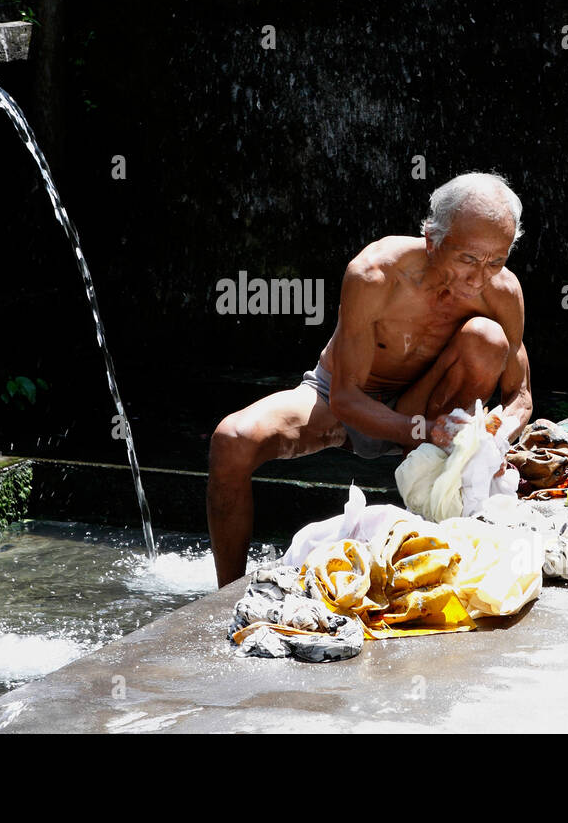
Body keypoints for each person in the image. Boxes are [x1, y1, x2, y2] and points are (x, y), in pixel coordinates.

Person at [206, 171, 534, 585]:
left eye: (496, 261)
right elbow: (344, 396)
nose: (479, 277)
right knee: (231, 441)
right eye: (468, 259)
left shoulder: (502, 292)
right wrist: (425, 429)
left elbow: (519, 396)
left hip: (428, 403)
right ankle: (227, 594)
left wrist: (493, 435)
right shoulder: (375, 273)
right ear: (432, 240)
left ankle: (426, 555)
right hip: (343, 399)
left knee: (487, 339)